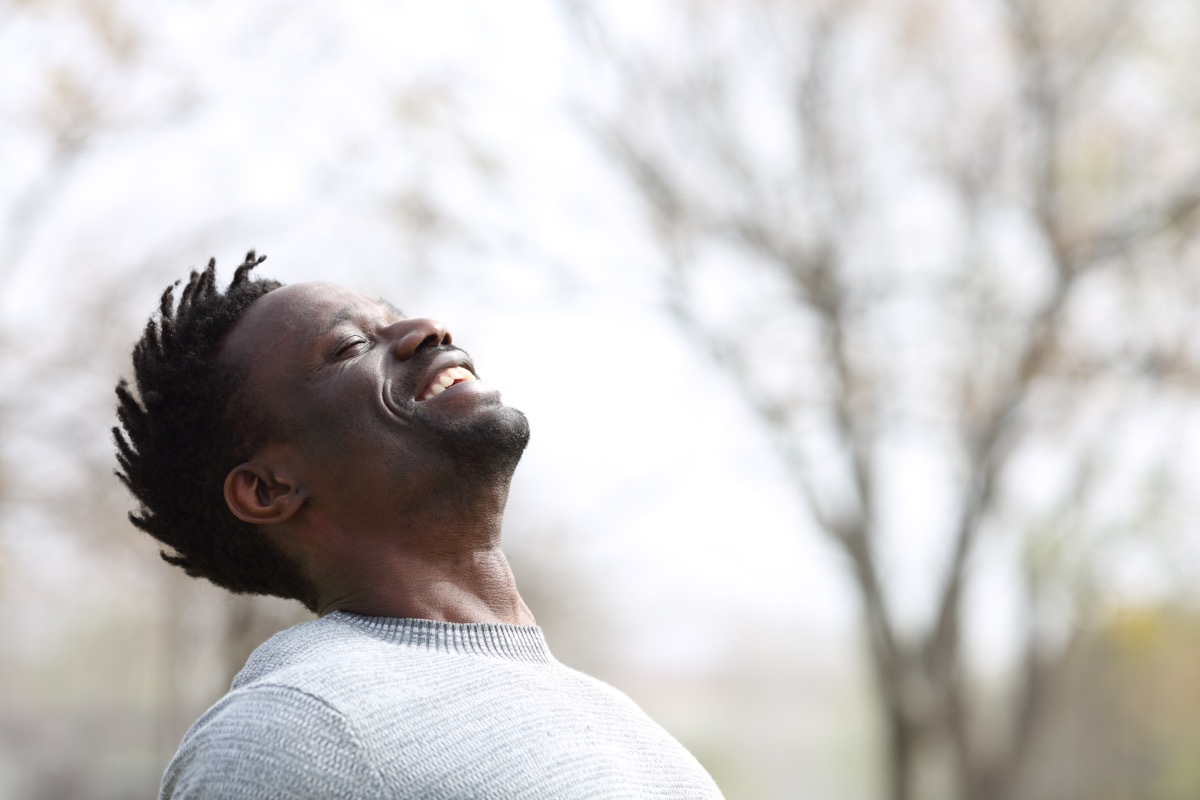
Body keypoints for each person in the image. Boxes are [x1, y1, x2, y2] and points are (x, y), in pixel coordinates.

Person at [113, 252, 725, 800]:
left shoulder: (641, 742)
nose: (429, 328)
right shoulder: (293, 732)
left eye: (395, 317)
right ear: (269, 489)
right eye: (350, 347)